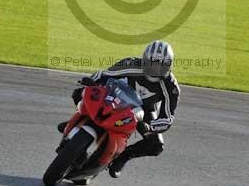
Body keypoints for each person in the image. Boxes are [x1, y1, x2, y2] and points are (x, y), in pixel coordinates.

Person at [70, 40, 179, 178]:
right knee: (80, 92)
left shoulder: (171, 87)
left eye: (160, 66)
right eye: (151, 64)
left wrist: (150, 127)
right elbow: (105, 75)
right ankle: (78, 121)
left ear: (169, 66)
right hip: (117, 95)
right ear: (144, 59)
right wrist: (91, 81)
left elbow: (167, 118)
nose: (154, 70)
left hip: (144, 110)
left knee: (156, 145)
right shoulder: (130, 63)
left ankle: (123, 157)